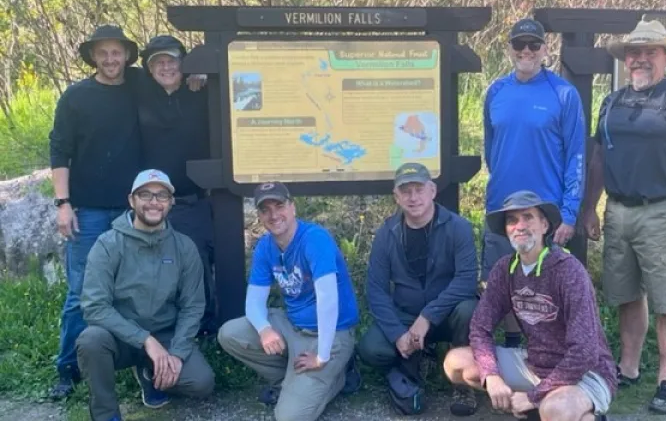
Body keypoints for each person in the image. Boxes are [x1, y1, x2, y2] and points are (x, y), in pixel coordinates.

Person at [582, 19, 666, 415]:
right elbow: (600, 157)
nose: (640, 60)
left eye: (649, 53)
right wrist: (590, 206)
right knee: (625, 294)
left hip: (664, 213)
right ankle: (629, 366)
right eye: (634, 53)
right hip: (618, 212)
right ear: (625, 59)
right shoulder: (613, 101)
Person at [443, 190, 617, 421]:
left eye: (528, 217)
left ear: (545, 225)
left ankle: (567, 411)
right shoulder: (505, 269)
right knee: (455, 362)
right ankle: (541, 408)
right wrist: (491, 376)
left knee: (555, 410)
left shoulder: (568, 270)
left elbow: (584, 352)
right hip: (535, 365)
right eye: (512, 220)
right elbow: (480, 327)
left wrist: (533, 396)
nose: (520, 226)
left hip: (587, 374)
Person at [48, 24, 143, 399]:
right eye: (102, 53)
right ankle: (67, 369)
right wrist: (63, 203)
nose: (109, 59)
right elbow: (59, 150)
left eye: (115, 52)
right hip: (86, 212)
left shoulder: (140, 88)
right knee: (80, 293)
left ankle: (135, 363)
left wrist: (200, 75)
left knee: (133, 290)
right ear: (93, 56)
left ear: (126, 55)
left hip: (130, 211)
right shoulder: (75, 97)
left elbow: (173, 74)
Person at [481, 18, 587, 351]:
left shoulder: (564, 94)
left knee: (547, 286)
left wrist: (569, 213)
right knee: (504, 280)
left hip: (546, 211)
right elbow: (491, 149)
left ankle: (551, 351)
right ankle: (513, 344)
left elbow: (576, 157)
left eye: (534, 45)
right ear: (508, 49)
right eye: (519, 45)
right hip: (502, 207)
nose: (526, 51)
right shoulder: (495, 92)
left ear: (546, 49)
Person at [76, 169, 215, 421]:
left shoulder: (184, 246)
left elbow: (193, 306)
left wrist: (177, 352)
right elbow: (94, 307)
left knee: (201, 383)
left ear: (171, 202)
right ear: (132, 200)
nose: (154, 202)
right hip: (121, 336)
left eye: (162, 195)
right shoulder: (107, 244)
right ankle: (106, 414)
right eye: (145, 195)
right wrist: (145, 340)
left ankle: (151, 374)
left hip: (166, 335)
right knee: (91, 340)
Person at [217, 182, 360, 421]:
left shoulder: (315, 239)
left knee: (288, 417)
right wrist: (264, 330)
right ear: (260, 215)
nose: (274, 215)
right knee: (230, 333)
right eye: (265, 209)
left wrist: (322, 356)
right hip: (291, 327)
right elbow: (254, 300)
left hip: (330, 334)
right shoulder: (265, 246)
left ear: (292, 207)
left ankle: (336, 375)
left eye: (279, 205)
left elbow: (328, 301)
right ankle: (292, 382)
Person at [357, 162, 479, 416]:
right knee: (370, 348)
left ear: (432, 190)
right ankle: (411, 359)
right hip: (405, 314)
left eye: (419, 189)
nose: (413, 197)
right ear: (397, 197)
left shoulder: (458, 227)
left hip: (445, 314)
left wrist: (428, 316)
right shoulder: (386, 234)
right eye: (406, 191)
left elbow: (466, 280)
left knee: (468, 309)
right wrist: (396, 333)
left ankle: (462, 381)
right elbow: (376, 289)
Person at [137, 35, 217, 335]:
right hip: (153, 200)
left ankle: (205, 328)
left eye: (172, 60)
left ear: (184, 63)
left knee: (196, 263)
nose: (166, 67)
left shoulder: (203, 90)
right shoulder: (140, 92)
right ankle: (166, 328)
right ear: (149, 67)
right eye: (158, 62)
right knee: (159, 269)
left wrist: (206, 72)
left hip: (192, 197)